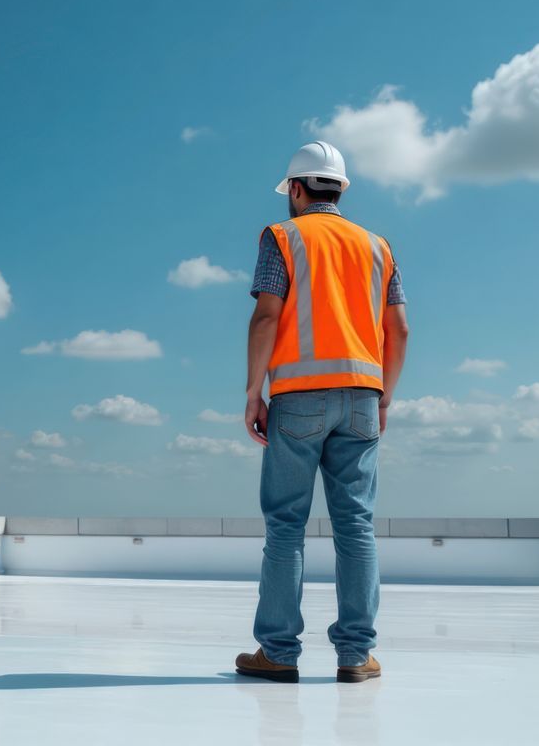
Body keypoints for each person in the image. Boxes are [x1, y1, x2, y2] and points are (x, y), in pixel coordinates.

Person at [233, 140, 409, 684]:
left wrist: (252, 392)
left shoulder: (282, 236)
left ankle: (279, 653)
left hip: (298, 397)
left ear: (297, 188)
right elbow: (398, 328)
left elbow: (267, 317)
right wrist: (384, 395)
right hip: (361, 396)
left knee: (285, 525)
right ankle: (356, 655)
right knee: (355, 525)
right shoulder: (378, 246)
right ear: (340, 188)